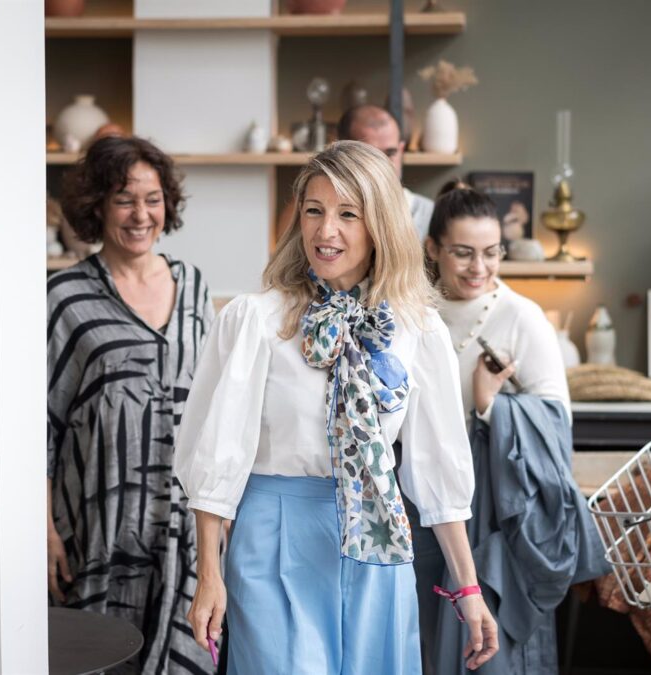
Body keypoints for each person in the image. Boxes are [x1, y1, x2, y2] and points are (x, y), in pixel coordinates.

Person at [175, 141, 499, 674]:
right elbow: (215, 455)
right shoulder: (255, 320)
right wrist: (208, 573)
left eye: (349, 214)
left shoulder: (417, 328)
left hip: (378, 541)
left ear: (380, 225)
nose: (326, 231)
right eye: (314, 211)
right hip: (275, 537)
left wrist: (468, 588)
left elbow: (438, 468)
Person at [410, 182, 608, 674]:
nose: (479, 267)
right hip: (416, 504)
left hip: (495, 512)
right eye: (463, 252)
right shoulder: (413, 313)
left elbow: (556, 427)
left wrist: (490, 407)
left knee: (486, 653)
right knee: (422, 641)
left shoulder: (523, 319)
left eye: (491, 252)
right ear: (432, 248)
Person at [47, 136, 216, 674]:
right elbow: (39, 428)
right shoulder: (64, 297)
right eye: (124, 199)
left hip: (185, 528)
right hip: (99, 528)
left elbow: (216, 410)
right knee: (99, 656)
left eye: (152, 199)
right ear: (97, 206)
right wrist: (43, 529)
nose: (141, 215)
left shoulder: (193, 286)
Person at [337, 104, 434, 240]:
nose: (383, 165)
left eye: (390, 153)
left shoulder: (431, 216)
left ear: (401, 150)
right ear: (340, 154)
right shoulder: (323, 217)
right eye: (371, 155)